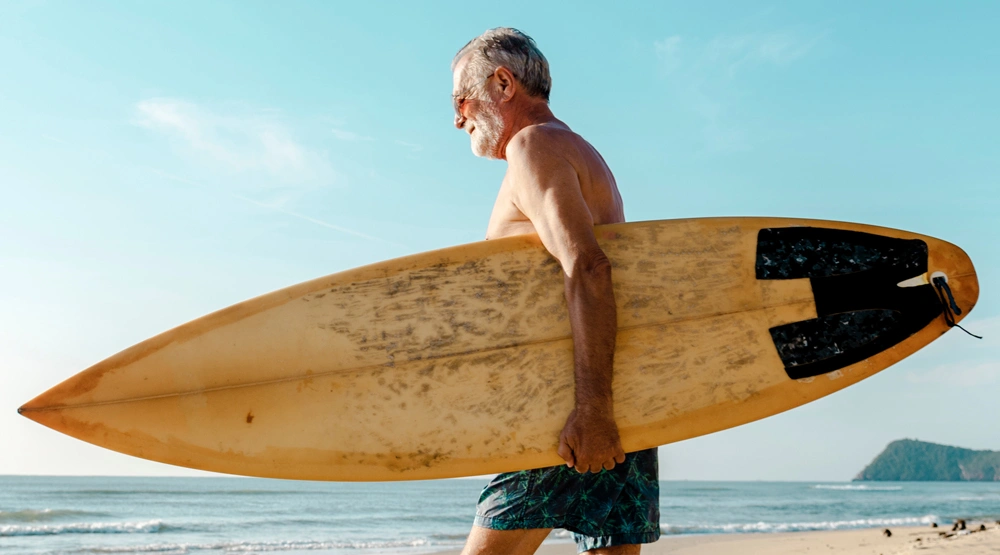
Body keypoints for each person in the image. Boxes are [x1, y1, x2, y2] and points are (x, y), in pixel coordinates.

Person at [451, 28, 660, 555]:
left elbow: (588, 267)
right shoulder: (579, 151)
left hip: (566, 409)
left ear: (502, 83)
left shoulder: (533, 145)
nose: (458, 117)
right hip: (614, 403)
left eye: (461, 98)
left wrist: (592, 410)